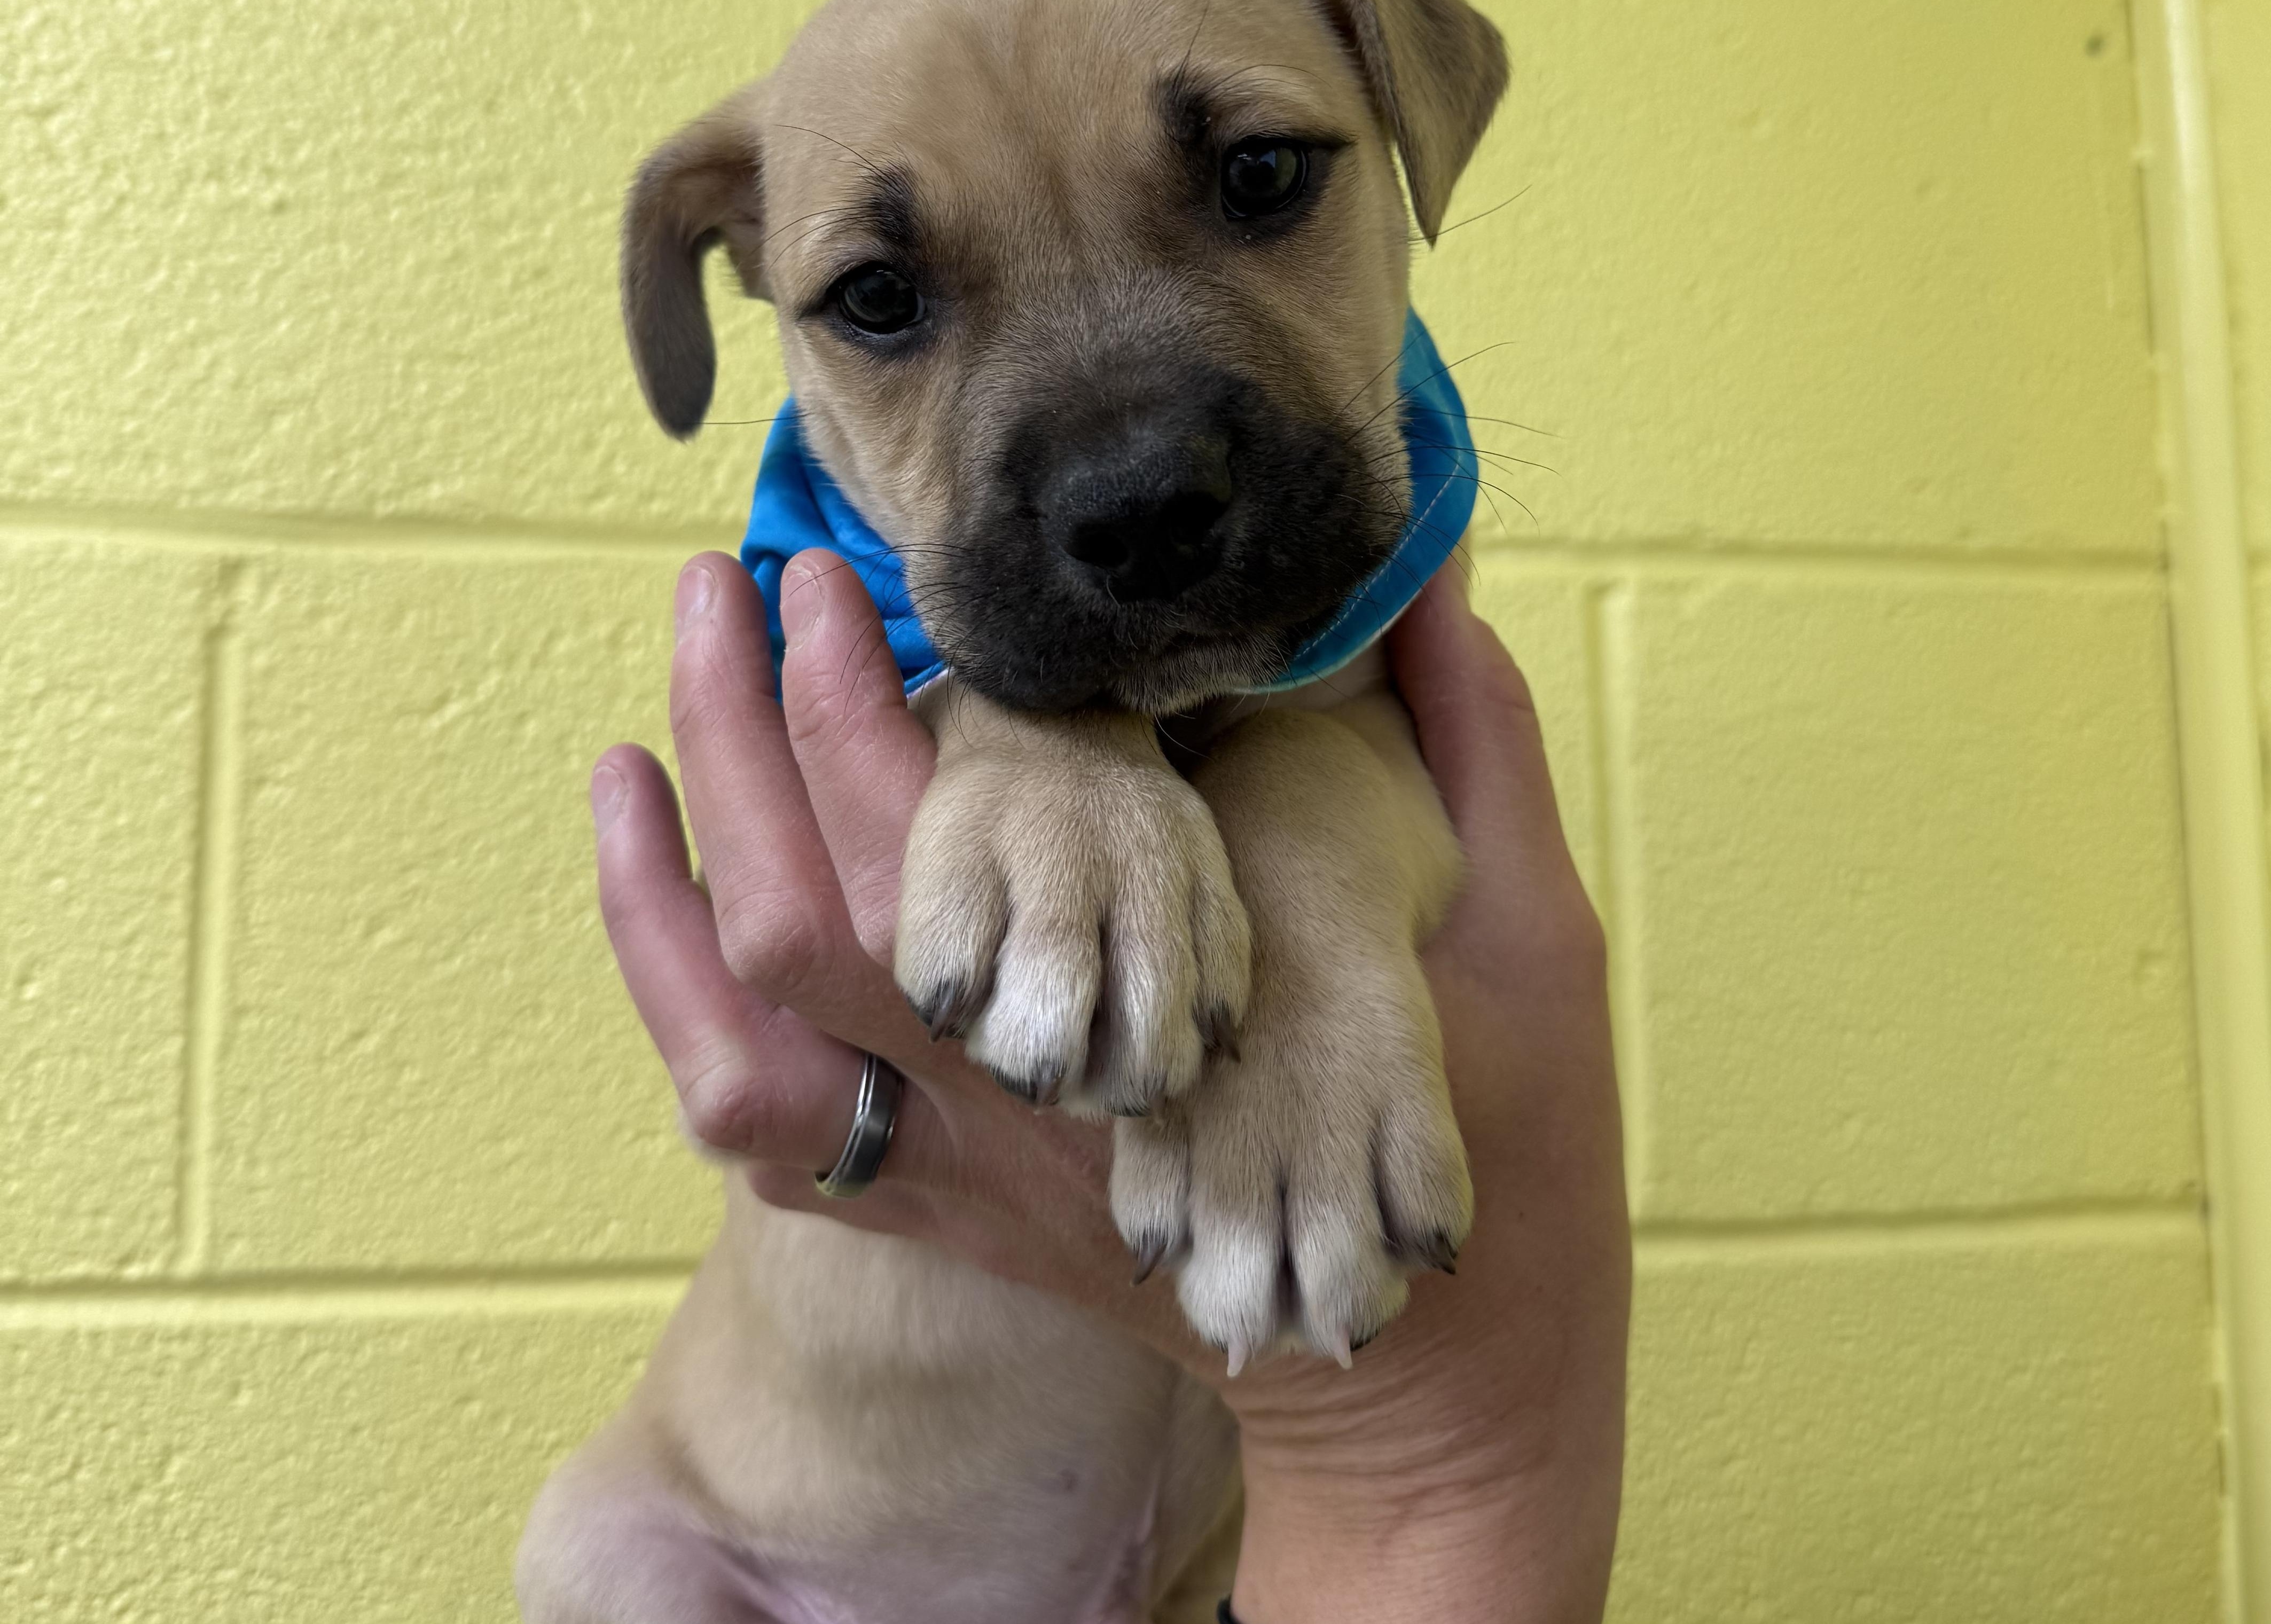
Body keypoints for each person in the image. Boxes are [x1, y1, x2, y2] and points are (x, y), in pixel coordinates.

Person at [589, 546, 1631, 1622]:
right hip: (758, 1547)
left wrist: (1307, 893)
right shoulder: (863, 601)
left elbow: (1376, 785)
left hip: (1220, 1566)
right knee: (602, 1551)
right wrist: (1009, 744)